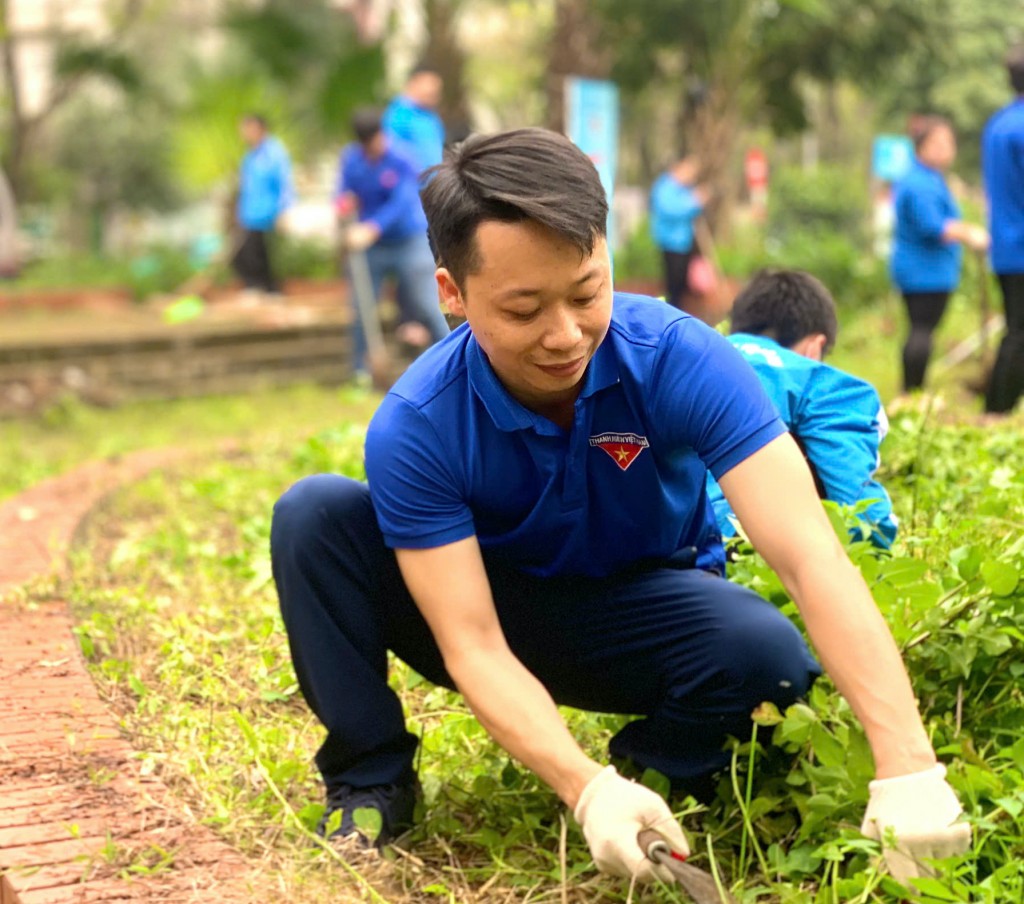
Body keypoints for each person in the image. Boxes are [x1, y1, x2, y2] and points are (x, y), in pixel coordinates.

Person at [271, 128, 968, 888]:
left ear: (605, 255)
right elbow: (470, 643)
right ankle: (371, 777)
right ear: (452, 295)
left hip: (641, 606)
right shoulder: (419, 423)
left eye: (585, 291)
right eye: (524, 308)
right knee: (316, 515)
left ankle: (653, 769)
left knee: (765, 656)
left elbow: (810, 556)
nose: (565, 334)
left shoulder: (681, 357)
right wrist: (584, 791)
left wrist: (909, 766)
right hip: (487, 605)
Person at [706, 269, 897, 549]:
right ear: (814, 347)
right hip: (736, 542)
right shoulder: (822, 384)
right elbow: (865, 520)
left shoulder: (681, 355)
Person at [335, 108, 450, 376]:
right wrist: (343, 205)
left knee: (425, 302)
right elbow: (342, 192)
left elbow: (403, 201)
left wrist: (372, 227)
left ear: (381, 135)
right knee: (362, 306)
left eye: (374, 142)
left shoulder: (401, 158)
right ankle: (361, 372)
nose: (371, 149)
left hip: (407, 240)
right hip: (370, 247)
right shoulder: (352, 160)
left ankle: (451, 362)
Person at [890, 116, 989, 393]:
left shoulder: (929, 178)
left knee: (922, 330)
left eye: (949, 142)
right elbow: (932, 225)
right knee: (921, 330)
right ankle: (912, 392)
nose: (946, 148)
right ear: (921, 147)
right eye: (938, 143)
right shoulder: (921, 183)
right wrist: (969, 232)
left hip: (928, 271)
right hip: (924, 272)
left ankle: (913, 390)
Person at [982, 45, 1024, 415]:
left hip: (1005, 245)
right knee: (1019, 335)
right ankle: (997, 409)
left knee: (1015, 330)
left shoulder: (998, 123)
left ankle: (995, 406)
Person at [232, 114, 293, 298]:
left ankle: (271, 290)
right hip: (250, 215)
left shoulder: (275, 152)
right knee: (246, 255)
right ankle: (257, 289)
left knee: (266, 256)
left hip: (269, 215)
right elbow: (246, 188)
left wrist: (284, 210)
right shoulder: (249, 157)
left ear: (259, 129)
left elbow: (285, 183)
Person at [650, 155, 710, 316]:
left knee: (684, 285)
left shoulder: (685, 189)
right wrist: (694, 202)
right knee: (674, 285)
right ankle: (671, 316)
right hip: (671, 243)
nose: (691, 176)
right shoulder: (665, 187)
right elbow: (670, 209)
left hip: (685, 242)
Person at [383, 64, 445, 175]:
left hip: (435, 185)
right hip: (411, 187)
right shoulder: (398, 116)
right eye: (430, 87)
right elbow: (391, 152)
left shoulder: (431, 117)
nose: (435, 93)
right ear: (414, 83)